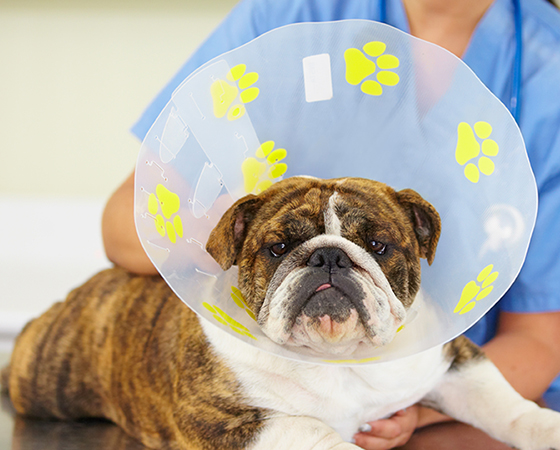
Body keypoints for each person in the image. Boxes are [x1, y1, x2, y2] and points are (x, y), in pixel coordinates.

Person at [102, 0, 560, 448]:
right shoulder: (290, 13)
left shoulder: (548, 62)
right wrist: (222, 227)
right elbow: (123, 224)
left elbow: (540, 339)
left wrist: (410, 406)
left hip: (436, 396)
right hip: (266, 369)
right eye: (283, 248)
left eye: (377, 247)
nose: (330, 266)